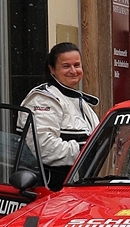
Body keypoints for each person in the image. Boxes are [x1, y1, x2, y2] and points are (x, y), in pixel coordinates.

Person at [22, 42, 99, 191]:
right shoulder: (43, 99)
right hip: (52, 190)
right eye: (66, 66)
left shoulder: (78, 100)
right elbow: (45, 149)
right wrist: (88, 149)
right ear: (52, 69)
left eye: (77, 65)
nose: (73, 71)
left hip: (78, 186)